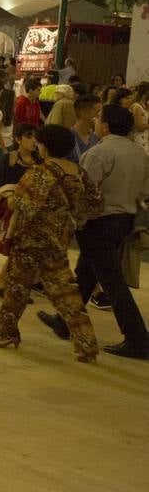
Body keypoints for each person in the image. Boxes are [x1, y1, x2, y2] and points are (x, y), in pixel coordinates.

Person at [38, 104, 149, 359]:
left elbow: (84, 191)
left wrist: (72, 218)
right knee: (87, 271)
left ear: (106, 126)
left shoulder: (99, 153)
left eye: (99, 118)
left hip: (99, 221)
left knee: (111, 281)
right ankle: (65, 321)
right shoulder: (140, 154)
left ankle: (138, 339)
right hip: (125, 220)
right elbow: (145, 193)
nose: (96, 121)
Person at [0, 126, 102, 361]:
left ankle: (3, 333)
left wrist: (8, 194)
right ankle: (87, 344)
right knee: (67, 293)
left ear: (45, 146)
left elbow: (24, 206)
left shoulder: (41, 172)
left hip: (31, 240)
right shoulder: (78, 172)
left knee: (17, 290)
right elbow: (94, 206)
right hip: (59, 239)